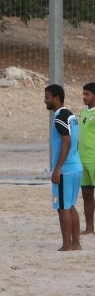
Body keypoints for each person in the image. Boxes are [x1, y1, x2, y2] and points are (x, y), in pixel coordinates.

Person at [45, 84, 83, 251]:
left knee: (62, 207)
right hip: (76, 167)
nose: (45, 100)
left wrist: (57, 168)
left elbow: (66, 142)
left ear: (56, 98)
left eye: (47, 97)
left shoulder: (60, 116)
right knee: (70, 205)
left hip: (66, 169)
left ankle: (67, 245)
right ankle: (76, 243)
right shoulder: (72, 116)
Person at [78, 82, 95, 235]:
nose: (84, 97)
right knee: (86, 194)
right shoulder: (83, 113)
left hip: (94, 160)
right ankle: (89, 228)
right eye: (83, 94)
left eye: (87, 94)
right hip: (81, 160)